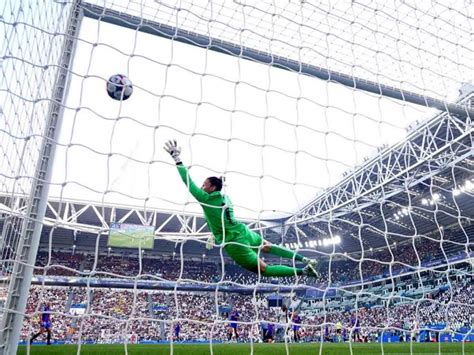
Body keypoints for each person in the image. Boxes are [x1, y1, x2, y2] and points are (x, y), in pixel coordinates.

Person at [164, 140, 318, 277]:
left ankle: (303, 271)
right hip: (244, 232)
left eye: (204, 184)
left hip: (234, 243)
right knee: (267, 247)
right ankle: (304, 259)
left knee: (264, 270)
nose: (202, 187)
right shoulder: (225, 198)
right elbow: (219, 210)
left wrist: (177, 158)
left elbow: (188, 181)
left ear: (211, 188)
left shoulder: (205, 198)